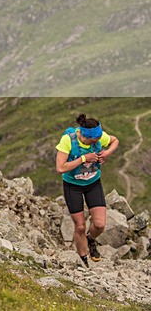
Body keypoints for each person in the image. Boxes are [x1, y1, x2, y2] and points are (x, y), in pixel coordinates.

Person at [55, 113, 120, 266]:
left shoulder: (99, 136)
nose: (97, 143)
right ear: (86, 137)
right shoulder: (68, 141)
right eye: (95, 141)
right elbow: (60, 168)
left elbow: (115, 140)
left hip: (93, 183)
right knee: (80, 227)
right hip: (73, 186)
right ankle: (84, 262)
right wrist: (84, 159)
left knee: (99, 224)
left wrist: (107, 153)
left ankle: (91, 239)